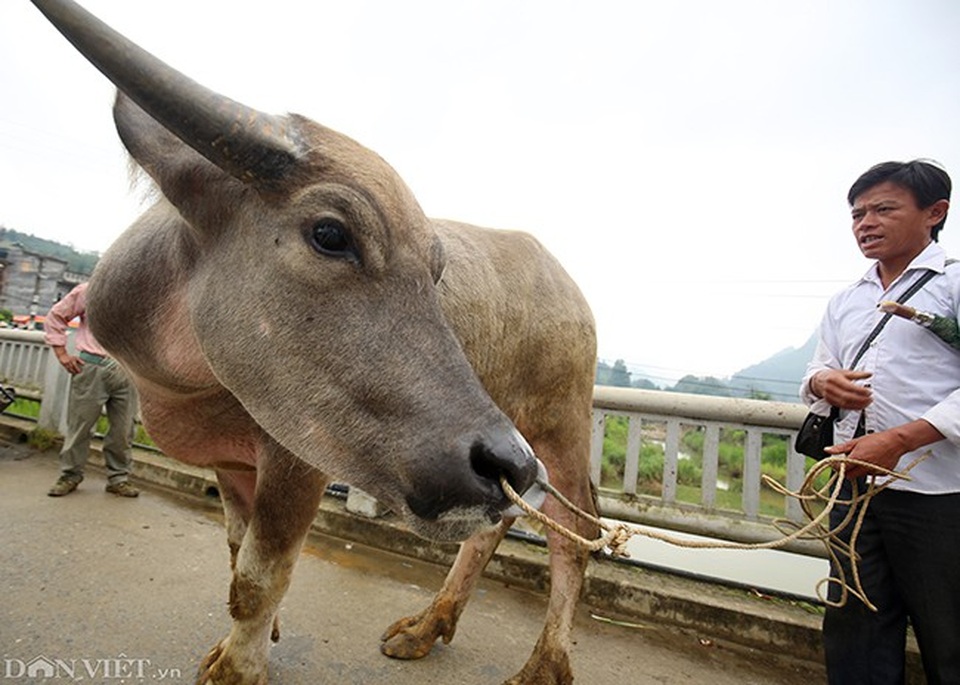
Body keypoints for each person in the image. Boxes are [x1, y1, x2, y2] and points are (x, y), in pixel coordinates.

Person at [800, 160, 959, 684]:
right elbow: (817, 368)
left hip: (939, 494)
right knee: (853, 625)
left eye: (884, 209)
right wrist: (824, 383)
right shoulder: (847, 301)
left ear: (934, 213)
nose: (865, 223)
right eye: (857, 213)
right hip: (855, 487)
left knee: (948, 630)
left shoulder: (953, 286)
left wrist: (901, 439)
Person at [45, 282, 140, 498]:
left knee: (124, 429)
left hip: (128, 370)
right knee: (81, 426)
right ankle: (70, 475)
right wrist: (62, 354)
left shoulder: (138, 290)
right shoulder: (90, 290)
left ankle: (119, 478)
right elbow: (56, 316)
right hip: (92, 366)